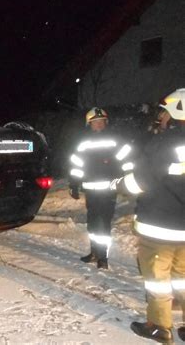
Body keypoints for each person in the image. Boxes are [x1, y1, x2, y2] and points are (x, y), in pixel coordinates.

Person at [111, 88, 185, 343]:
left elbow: (142, 181)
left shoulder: (166, 143)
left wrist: (119, 185)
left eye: (165, 112)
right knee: (183, 277)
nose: (162, 117)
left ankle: (159, 327)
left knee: (158, 280)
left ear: (176, 111)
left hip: (160, 226)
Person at [69, 107, 133, 269]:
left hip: (108, 190)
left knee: (103, 223)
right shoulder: (83, 143)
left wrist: (127, 182)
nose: (98, 125)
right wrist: (74, 185)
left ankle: (102, 257)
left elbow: (128, 162)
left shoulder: (115, 140)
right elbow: (77, 165)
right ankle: (94, 252)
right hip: (91, 190)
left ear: (106, 122)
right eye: (94, 122)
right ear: (89, 124)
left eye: (101, 122)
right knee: (92, 223)